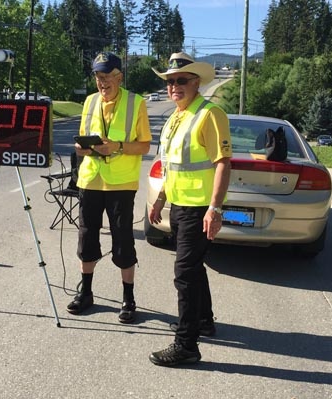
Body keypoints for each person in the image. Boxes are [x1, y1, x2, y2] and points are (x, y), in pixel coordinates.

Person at [148, 52, 232, 366]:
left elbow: (223, 163)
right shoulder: (176, 117)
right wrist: (160, 200)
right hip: (179, 206)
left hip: (199, 208)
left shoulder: (210, 114)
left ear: (196, 82)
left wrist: (215, 208)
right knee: (193, 269)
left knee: (184, 273)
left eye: (181, 80)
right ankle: (204, 321)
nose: (174, 86)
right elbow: (172, 167)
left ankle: (186, 345)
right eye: (170, 81)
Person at [67, 52, 152, 324]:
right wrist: (82, 148)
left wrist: (116, 146)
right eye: (97, 76)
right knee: (87, 237)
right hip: (91, 179)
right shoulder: (90, 102)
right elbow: (80, 146)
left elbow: (145, 145)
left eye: (107, 77)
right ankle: (87, 292)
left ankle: (128, 299)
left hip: (121, 183)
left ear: (119, 77)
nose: (102, 82)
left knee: (123, 240)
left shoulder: (136, 103)